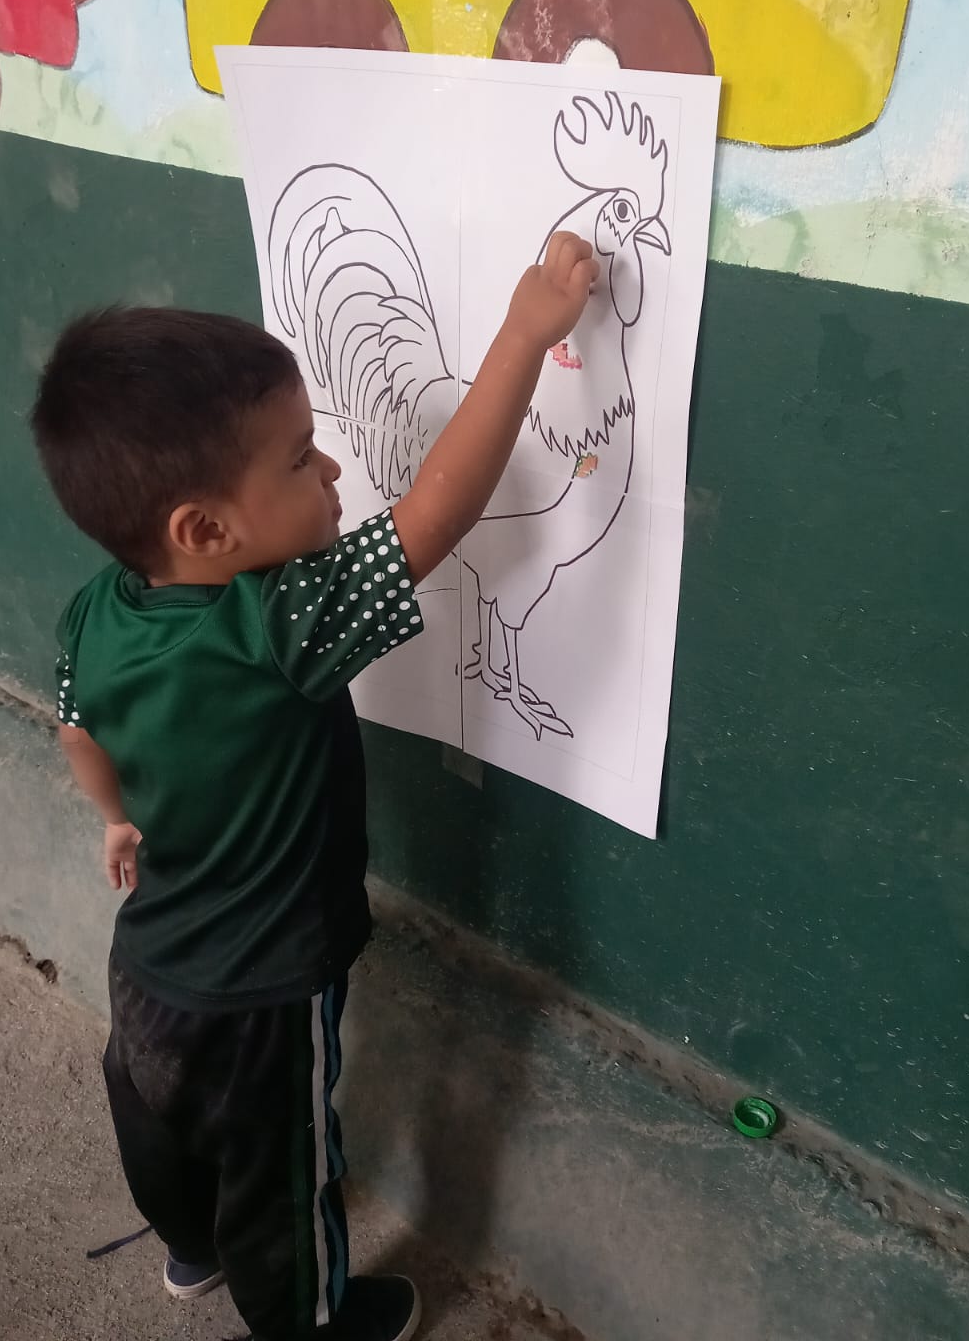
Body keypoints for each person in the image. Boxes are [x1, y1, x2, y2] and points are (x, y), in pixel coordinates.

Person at [30, 232, 597, 1341]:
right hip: (266, 990)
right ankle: (311, 1322)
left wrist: (115, 818)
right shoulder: (276, 623)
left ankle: (190, 1248)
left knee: (154, 1112)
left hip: (149, 964)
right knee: (283, 1167)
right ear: (205, 530)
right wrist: (527, 334)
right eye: (300, 460)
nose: (333, 470)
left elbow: (76, 727)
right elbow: (436, 514)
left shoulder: (99, 607)